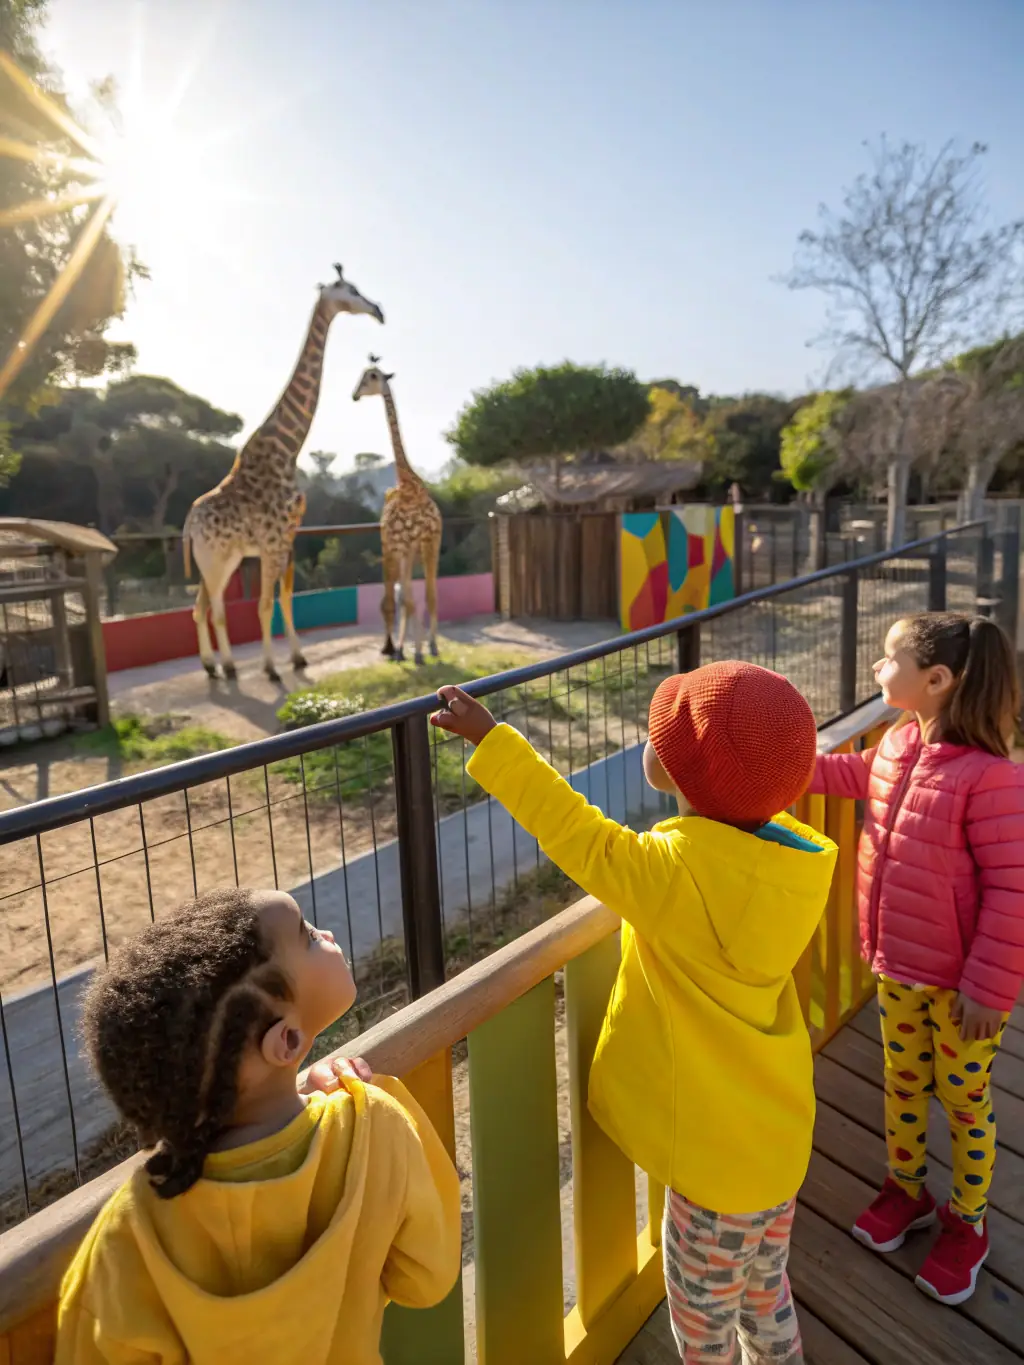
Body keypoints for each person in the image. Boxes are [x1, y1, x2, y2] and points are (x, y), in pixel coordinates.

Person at [432, 661, 836, 1365]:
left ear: (687, 775)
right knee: (765, 1293)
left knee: (703, 1327)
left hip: (714, 1174)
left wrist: (493, 740)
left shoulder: (670, 874)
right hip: (776, 1144)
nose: (648, 741)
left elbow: (576, 832)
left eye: (663, 735)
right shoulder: (786, 868)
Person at [56, 887, 461, 1365]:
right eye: (308, 936)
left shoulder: (130, 1233)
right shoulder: (370, 1129)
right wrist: (370, 1096)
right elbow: (426, 1277)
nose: (327, 933)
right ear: (287, 1040)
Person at [810, 612, 1024, 1306]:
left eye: (887, 658)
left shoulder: (990, 779)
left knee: (963, 1099)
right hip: (897, 966)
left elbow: (1012, 891)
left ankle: (969, 1221)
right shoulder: (898, 744)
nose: (878, 669)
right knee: (903, 1084)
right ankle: (909, 1189)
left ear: (935, 679)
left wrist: (989, 987)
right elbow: (847, 775)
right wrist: (773, 765)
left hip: (961, 986)